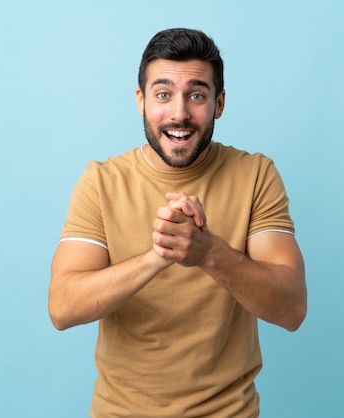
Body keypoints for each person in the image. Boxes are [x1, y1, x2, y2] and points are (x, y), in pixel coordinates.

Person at [48, 28, 307, 417]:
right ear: (141, 101)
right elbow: (62, 307)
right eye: (163, 94)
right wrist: (158, 255)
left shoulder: (255, 175)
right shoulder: (101, 182)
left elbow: (291, 309)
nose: (180, 113)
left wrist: (208, 253)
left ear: (219, 103)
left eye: (197, 95)